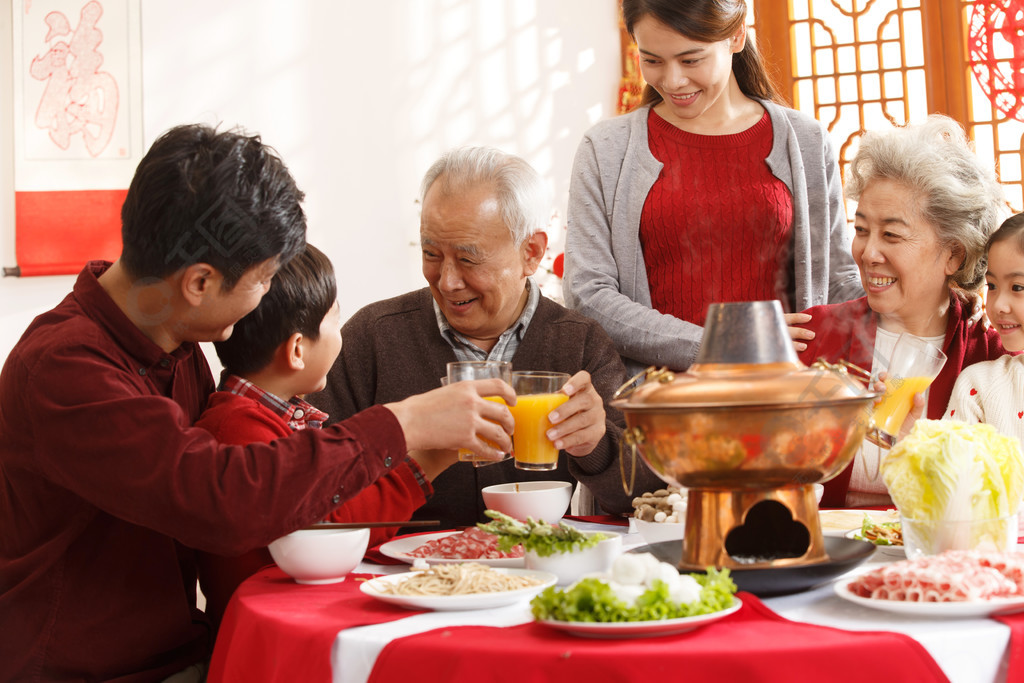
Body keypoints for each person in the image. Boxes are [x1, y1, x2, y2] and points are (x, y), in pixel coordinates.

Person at [0, 124, 515, 683]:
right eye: (264, 280)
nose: (268, 297)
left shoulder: (175, 346)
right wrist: (403, 422)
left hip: (180, 652)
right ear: (200, 282)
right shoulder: (65, 368)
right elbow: (223, 496)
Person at [310, 146, 664, 530]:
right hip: (398, 572)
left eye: (468, 259)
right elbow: (312, 482)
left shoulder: (579, 343)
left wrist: (596, 447)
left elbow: (645, 494)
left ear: (532, 252)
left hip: (535, 570)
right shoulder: (373, 335)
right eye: (431, 253)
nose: (446, 281)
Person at [563, 0, 863, 375]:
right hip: (661, 408)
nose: (672, 81)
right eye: (652, 60)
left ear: (737, 35)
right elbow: (588, 295)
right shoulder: (606, 149)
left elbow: (837, 280)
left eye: (691, 60)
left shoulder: (805, 141)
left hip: (789, 395)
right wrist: (725, 341)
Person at [194, 243, 441, 632]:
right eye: (334, 321)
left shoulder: (264, 417)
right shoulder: (240, 432)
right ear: (297, 349)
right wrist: (430, 461)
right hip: (273, 637)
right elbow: (333, 526)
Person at [791, 115, 1009, 508]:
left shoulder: (990, 358)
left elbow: (999, 500)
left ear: (953, 254)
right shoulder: (813, 334)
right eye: (861, 230)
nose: (869, 253)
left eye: (891, 235)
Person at [945, 213, 1024, 442]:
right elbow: (948, 470)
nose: (998, 304)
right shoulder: (979, 385)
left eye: (1017, 287)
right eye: (993, 286)